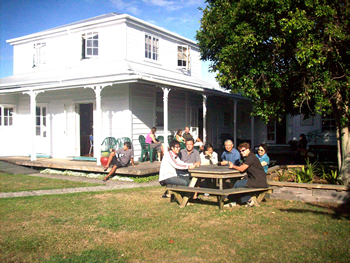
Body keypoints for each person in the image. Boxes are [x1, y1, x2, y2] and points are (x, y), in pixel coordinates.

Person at [229, 142, 269, 207]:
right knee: (239, 184)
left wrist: (233, 166)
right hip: (255, 179)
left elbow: (242, 169)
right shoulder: (250, 156)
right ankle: (242, 200)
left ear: (248, 149)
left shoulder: (251, 157)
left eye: (243, 150)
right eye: (240, 151)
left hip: (258, 181)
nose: (242, 152)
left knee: (238, 184)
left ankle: (235, 200)